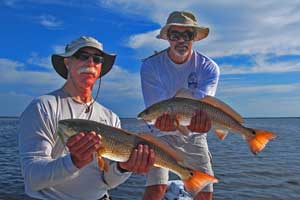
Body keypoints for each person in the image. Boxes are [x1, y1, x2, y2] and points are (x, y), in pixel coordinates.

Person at [19, 36, 155, 200]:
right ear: (67, 62)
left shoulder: (110, 117)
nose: (91, 61)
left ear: (100, 68)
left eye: (97, 59)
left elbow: (107, 181)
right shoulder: (43, 107)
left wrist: (123, 168)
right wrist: (74, 161)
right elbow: (32, 178)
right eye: (82, 56)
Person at [140, 11, 220, 200]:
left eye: (188, 35)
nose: (181, 40)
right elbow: (156, 110)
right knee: (156, 188)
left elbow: (202, 106)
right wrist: (160, 124)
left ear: (195, 38)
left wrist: (196, 123)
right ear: (167, 38)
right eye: (175, 35)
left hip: (194, 135)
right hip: (160, 135)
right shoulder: (150, 66)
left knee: (205, 191)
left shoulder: (208, 68)